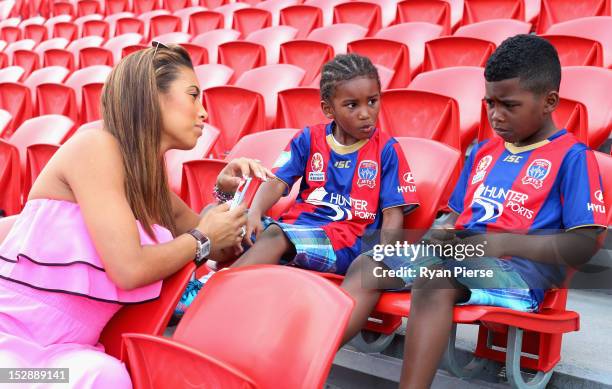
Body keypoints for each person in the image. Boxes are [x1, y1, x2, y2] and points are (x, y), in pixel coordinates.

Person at [339, 34, 607, 388]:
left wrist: (501, 245)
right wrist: (443, 230)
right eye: (489, 104)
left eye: (508, 105)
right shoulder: (483, 152)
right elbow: (455, 215)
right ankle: (305, 367)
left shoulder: (573, 158)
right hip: (462, 255)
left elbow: (585, 245)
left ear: (549, 101)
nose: (495, 115)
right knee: (367, 264)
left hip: (521, 274)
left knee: (433, 282)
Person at [0, 43, 273, 388]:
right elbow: (130, 268)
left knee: (108, 376)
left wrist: (230, 195)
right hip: (9, 342)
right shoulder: (94, 148)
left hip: (63, 356)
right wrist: (202, 237)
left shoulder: (152, 188)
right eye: (193, 96)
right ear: (151, 98)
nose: (204, 113)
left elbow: (223, 249)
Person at [175, 53, 420, 314]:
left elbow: (393, 215)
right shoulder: (309, 138)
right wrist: (255, 213)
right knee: (220, 215)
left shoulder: (387, 150)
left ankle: (207, 296)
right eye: (352, 105)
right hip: (297, 230)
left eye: (372, 101)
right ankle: (186, 290)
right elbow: (277, 181)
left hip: (347, 242)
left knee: (277, 235)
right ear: (329, 109)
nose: (365, 114)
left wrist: (381, 256)